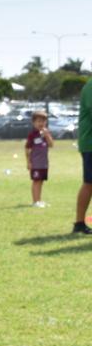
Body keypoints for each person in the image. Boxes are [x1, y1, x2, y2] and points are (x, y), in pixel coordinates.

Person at [25, 110, 53, 208]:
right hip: (35, 163)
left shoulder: (46, 133)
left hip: (44, 163)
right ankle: (35, 201)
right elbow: (27, 149)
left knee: (41, 181)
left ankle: (39, 200)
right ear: (34, 123)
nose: (41, 123)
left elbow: (51, 145)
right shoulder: (32, 135)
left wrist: (47, 135)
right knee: (36, 181)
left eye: (43, 121)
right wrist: (28, 162)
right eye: (38, 121)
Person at [74, 79, 92, 234]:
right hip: (90, 144)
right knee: (89, 183)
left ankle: (79, 223)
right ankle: (79, 223)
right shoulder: (91, 87)